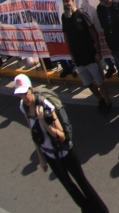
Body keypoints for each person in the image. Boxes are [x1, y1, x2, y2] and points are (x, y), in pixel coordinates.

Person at [13, 74, 109, 213]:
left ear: (31, 89)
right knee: (69, 186)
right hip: (50, 155)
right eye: (20, 94)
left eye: (25, 93)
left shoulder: (45, 105)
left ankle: (101, 210)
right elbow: (33, 132)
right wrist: (41, 158)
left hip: (65, 152)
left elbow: (62, 136)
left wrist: (44, 123)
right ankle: (87, 209)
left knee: (82, 183)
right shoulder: (24, 107)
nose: (24, 98)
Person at [61, 0, 112, 112]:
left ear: (72, 0)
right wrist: (71, 55)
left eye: (67, 1)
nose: (66, 3)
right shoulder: (64, 17)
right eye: (64, 2)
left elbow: (94, 33)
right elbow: (66, 38)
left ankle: (108, 102)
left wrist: (98, 52)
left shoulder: (81, 14)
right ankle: (100, 99)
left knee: (100, 82)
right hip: (78, 59)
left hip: (90, 56)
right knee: (88, 83)